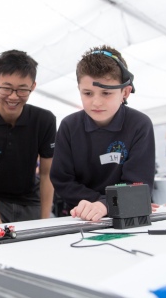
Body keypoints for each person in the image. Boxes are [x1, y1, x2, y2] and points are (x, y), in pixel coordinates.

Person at [50, 45, 156, 222]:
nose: (96, 102)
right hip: (81, 216)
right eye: (88, 93)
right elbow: (62, 180)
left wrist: (105, 205)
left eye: (106, 93)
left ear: (125, 92)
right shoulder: (69, 126)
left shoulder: (139, 125)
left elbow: (138, 184)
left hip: (130, 215)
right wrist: (98, 204)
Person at [0, 49, 56, 225]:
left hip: (31, 200)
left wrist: (45, 222)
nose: (13, 97)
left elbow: (46, 174)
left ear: (33, 87)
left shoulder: (44, 120)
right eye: (6, 88)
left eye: (22, 90)